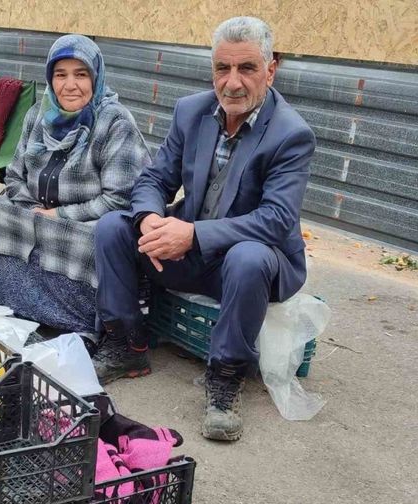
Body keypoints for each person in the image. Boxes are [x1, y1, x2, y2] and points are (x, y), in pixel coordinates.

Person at [92, 16, 316, 442]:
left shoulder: (291, 134)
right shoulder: (191, 111)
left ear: (271, 69)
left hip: (250, 267)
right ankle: (127, 346)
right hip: (189, 253)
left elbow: (276, 219)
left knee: (248, 256)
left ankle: (226, 377)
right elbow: (154, 180)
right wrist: (151, 220)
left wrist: (193, 234)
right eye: (222, 68)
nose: (232, 82)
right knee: (112, 228)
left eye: (247, 68)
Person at [0, 35, 151, 335]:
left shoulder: (115, 122)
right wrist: (34, 210)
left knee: (95, 236)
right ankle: (6, 302)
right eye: (61, 75)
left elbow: (120, 199)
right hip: (38, 211)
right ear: (50, 79)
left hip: (90, 221)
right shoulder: (38, 115)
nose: (70, 85)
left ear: (96, 76)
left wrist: (58, 216)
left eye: (81, 74)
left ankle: (75, 320)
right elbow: (14, 176)